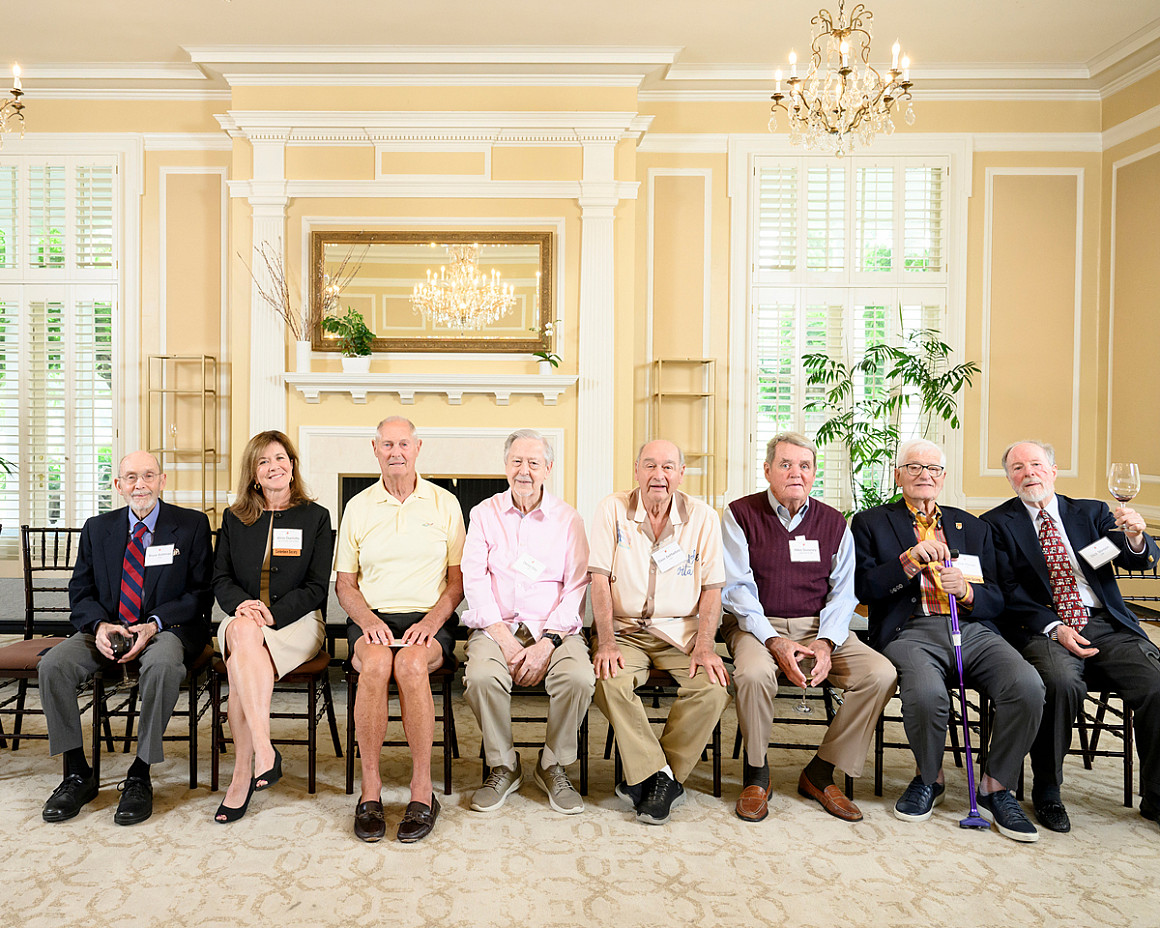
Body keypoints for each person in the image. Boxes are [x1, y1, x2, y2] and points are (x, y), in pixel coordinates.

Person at [852, 439, 1045, 843]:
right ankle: (929, 778)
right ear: (897, 474)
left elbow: (998, 597)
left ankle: (996, 785)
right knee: (925, 693)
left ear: (943, 477)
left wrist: (968, 593)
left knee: (1026, 686)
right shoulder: (870, 523)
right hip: (911, 630)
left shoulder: (972, 526)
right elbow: (865, 588)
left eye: (934, 469)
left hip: (972, 629)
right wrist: (908, 560)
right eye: (915, 467)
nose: (925, 475)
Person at [983, 439, 1160, 834]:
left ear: (1053, 470)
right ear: (1009, 477)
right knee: (1060, 684)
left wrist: (1134, 538)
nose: (1028, 473)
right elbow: (1006, 592)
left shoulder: (1091, 512)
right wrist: (1054, 627)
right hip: (1044, 626)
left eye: (1035, 465)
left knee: (1156, 684)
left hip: (1104, 622)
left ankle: (1157, 798)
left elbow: (1130, 559)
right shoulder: (996, 524)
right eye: (1018, 468)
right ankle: (1048, 791)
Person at [722, 432, 896, 823]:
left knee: (880, 674)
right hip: (756, 625)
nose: (795, 473)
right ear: (767, 470)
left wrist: (826, 643)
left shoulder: (834, 522)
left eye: (804, 466)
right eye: (785, 465)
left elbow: (843, 592)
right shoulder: (739, 514)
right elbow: (736, 589)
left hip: (819, 626)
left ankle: (820, 771)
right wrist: (773, 639)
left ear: (814, 473)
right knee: (752, 673)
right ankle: (756, 773)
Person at [39, 451, 213, 826]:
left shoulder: (192, 525)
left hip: (166, 629)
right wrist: (100, 627)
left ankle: (140, 772)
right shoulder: (97, 528)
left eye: (148, 475)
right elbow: (80, 591)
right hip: (108, 628)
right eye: (131, 477)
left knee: (164, 665)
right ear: (117, 486)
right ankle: (77, 773)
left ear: (162, 481)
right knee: (53, 665)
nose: (140, 484)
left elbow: (200, 593)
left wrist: (153, 623)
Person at [336, 416, 465, 843]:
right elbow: (345, 584)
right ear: (374, 450)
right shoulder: (357, 507)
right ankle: (370, 790)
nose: (396, 452)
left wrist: (431, 623)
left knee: (410, 665)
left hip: (427, 620)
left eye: (403, 444)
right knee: (373, 666)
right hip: (373, 616)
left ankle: (422, 790)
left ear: (418, 447)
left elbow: (458, 581)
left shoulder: (445, 503)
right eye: (387, 444)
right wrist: (367, 621)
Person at [589, 439, 731, 825]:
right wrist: (605, 642)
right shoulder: (612, 509)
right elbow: (598, 580)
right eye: (650, 466)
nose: (659, 475)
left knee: (713, 687)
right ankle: (662, 778)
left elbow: (712, 588)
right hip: (625, 631)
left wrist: (705, 645)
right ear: (636, 470)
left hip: (680, 632)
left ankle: (652, 775)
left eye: (668, 467)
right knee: (608, 681)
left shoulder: (704, 518)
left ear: (681, 474)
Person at [461, 429, 593, 814]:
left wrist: (546, 643)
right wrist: (504, 640)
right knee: (482, 677)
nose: (524, 470)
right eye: (517, 461)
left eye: (534, 462)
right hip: (495, 625)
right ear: (505, 466)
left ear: (548, 468)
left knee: (579, 678)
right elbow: (475, 581)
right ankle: (504, 764)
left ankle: (553, 763)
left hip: (554, 628)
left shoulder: (568, 519)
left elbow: (576, 586)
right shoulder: (483, 515)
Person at [211, 430, 334, 823]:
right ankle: (264, 751)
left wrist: (274, 614)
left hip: (296, 619)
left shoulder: (316, 517)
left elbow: (317, 587)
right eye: (263, 461)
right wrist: (243, 606)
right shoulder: (234, 518)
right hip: (242, 615)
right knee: (245, 634)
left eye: (280, 458)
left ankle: (243, 772)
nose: (273, 466)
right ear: (254, 474)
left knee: (239, 662)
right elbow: (221, 579)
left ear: (292, 465)